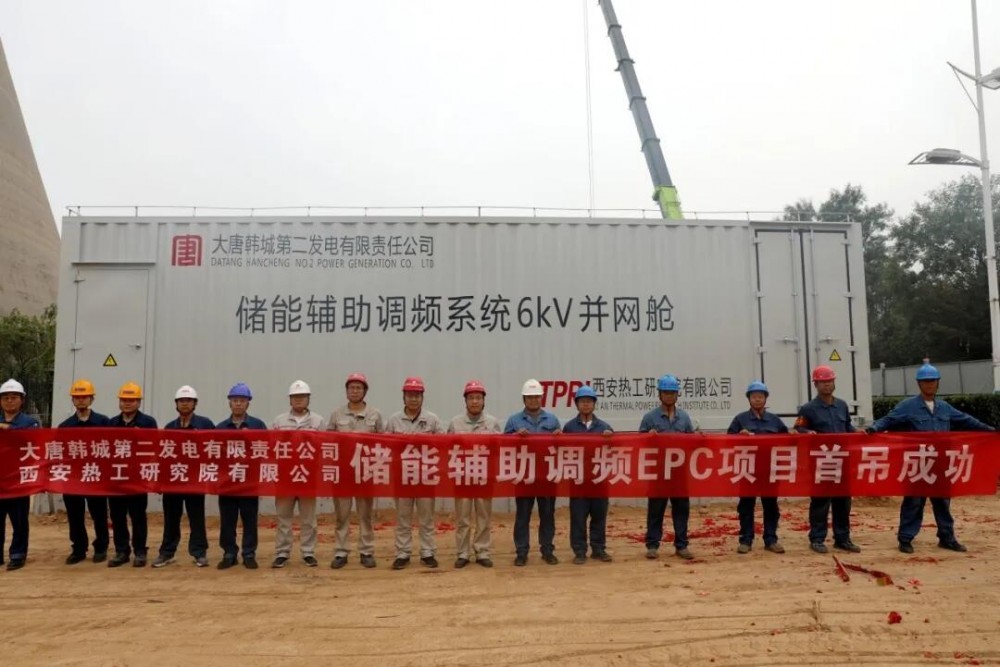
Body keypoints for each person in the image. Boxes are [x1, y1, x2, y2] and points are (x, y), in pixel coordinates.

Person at [866, 363, 994, 554]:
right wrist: (873, 428)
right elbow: (888, 419)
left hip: (941, 464)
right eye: (926, 381)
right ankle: (905, 539)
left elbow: (967, 420)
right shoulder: (908, 406)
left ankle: (947, 538)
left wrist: (990, 431)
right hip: (918, 464)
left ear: (938, 383)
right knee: (914, 502)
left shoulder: (944, 407)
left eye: (933, 381)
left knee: (942, 502)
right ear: (919, 384)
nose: (930, 384)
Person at [795, 365, 861, 554]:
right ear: (815, 384)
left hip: (841, 461)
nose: (827, 384)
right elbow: (798, 428)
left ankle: (842, 539)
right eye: (822, 382)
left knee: (843, 502)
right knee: (820, 502)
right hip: (821, 463)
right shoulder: (808, 409)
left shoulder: (842, 405)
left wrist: (859, 434)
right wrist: (807, 432)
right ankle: (817, 539)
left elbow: (847, 427)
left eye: (829, 381)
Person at [385, 377, 445, 570]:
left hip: (426, 476)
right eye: (410, 395)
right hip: (402, 477)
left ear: (422, 397)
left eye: (417, 395)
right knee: (403, 518)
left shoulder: (432, 420)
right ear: (403, 397)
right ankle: (403, 553)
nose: (413, 399)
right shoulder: (394, 420)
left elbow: (443, 445)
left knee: (426, 518)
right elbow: (386, 447)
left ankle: (428, 552)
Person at [153, 385, 215, 568]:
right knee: (171, 517)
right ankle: (167, 552)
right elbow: (163, 456)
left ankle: (199, 552)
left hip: (195, 479)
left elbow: (214, 449)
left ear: (195, 403)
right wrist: (160, 481)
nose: (185, 404)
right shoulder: (170, 427)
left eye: (188, 401)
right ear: (176, 404)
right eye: (181, 401)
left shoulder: (205, 425)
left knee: (197, 517)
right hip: (173, 479)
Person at [326, 372, 383, 570]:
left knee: (365, 514)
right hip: (343, 473)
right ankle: (341, 552)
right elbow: (328, 443)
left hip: (365, 472)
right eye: (351, 387)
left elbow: (382, 443)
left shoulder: (375, 414)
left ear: (365, 391)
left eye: (359, 388)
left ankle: (366, 551)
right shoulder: (336, 415)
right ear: (346, 391)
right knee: (342, 515)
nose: (355, 391)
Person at [504, 378, 562, 567]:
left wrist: (559, 438)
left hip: (546, 475)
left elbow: (562, 447)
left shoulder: (552, 420)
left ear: (541, 398)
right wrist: (515, 437)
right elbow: (503, 445)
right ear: (524, 399)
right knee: (522, 515)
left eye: (536, 397)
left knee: (547, 514)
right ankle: (521, 552)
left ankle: (547, 550)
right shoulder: (514, 421)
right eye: (529, 397)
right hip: (524, 475)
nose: (533, 400)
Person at [727, 381, 788, 555]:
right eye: (754, 396)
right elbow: (728, 441)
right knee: (746, 505)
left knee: (771, 506)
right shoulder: (740, 419)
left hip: (770, 470)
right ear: (749, 399)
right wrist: (739, 436)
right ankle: (746, 540)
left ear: (765, 398)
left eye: (761, 396)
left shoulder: (775, 421)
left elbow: (787, 441)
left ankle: (771, 539)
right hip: (748, 470)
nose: (757, 399)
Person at [639, 374, 696, 560]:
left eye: (672, 393)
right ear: (659, 394)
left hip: (679, 473)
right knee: (656, 510)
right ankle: (652, 545)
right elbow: (639, 444)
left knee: (681, 510)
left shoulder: (684, 418)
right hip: (658, 472)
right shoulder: (650, 418)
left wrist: (699, 438)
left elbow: (692, 443)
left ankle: (681, 545)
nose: (669, 396)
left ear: (677, 395)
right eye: (666, 392)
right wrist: (648, 436)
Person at [446, 380, 501, 568]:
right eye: (471, 398)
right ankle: (463, 553)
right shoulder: (455, 423)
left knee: (483, 517)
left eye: (478, 398)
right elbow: (447, 450)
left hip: (484, 477)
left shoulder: (492, 423)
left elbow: (498, 451)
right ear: (465, 401)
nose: (475, 401)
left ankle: (482, 552)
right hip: (462, 477)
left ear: (484, 401)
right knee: (463, 518)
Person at [271, 380, 325, 568]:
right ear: (290, 399)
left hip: (308, 477)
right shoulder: (279, 422)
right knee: (283, 518)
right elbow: (272, 448)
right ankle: (282, 552)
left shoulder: (318, 421)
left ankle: (308, 552)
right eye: (295, 397)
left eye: (302, 397)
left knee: (308, 519)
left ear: (308, 399)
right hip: (285, 477)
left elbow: (325, 449)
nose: (299, 400)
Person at [58, 379, 111, 565]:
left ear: (91, 399)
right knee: (75, 516)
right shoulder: (65, 426)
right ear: (72, 400)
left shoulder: (104, 422)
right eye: (77, 397)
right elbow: (59, 452)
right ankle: (79, 549)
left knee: (99, 514)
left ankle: (101, 547)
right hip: (73, 478)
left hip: (96, 476)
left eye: (84, 397)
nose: (81, 400)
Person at [216, 383, 267, 570]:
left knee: (249, 519)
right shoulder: (220, 428)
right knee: (227, 520)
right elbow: (214, 455)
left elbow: (266, 451)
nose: (238, 403)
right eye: (235, 400)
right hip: (227, 482)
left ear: (248, 403)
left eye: (242, 400)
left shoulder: (257, 426)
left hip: (249, 482)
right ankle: (229, 553)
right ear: (229, 403)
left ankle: (249, 553)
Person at [107, 382, 157, 568]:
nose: (127, 403)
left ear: (138, 402)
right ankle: (121, 551)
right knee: (117, 516)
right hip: (117, 477)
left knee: (138, 516)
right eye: (124, 400)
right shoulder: (112, 423)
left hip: (137, 478)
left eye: (131, 400)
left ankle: (140, 551)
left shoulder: (148, 423)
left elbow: (153, 448)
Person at [562, 385, 614, 565]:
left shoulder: (604, 427)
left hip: (599, 479)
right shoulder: (569, 427)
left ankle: (598, 549)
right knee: (578, 517)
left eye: (589, 401)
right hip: (578, 481)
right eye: (582, 401)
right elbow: (562, 451)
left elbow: (615, 451)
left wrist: (611, 439)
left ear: (594, 404)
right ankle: (579, 551)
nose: (585, 404)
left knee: (599, 516)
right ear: (576, 404)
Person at [0, 379, 40, 570]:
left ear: (22, 400)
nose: (10, 401)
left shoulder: (30, 422)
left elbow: (32, 439)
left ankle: (17, 554)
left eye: (14, 397)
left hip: (18, 480)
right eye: (6, 398)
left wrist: (7, 429)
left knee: (19, 521)